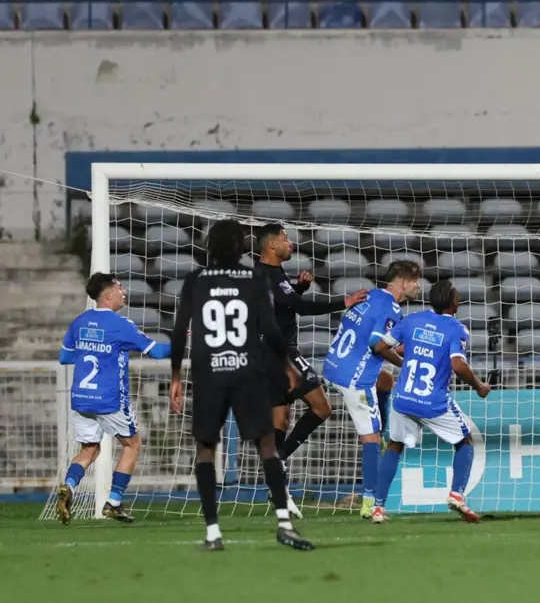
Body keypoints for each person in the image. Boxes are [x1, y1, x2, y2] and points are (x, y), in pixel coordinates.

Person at [169, 219, 313, 551]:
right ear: (241, 246)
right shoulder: (255, 277)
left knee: (205, 449)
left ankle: (213, 533)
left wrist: (176, 376)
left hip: (209, 372)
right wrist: (288, 366)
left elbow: (179, 331)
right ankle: (283, 523)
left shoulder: (195, 280)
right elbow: (271, 330)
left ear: (210, 246)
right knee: (266, 444)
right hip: (246, 370)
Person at [254, 223, 368, 515]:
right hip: (280, 354)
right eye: (285, 239)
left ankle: (277, 486)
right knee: (322, 408)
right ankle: (278, 460)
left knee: (281, 419)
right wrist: (345, 301)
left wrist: (299, 288)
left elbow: (284, 303)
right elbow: (299, 308)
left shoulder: (267, 274)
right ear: (271, 246)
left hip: (265, 355)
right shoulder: (268, 274)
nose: (289, 243)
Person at [54, 272, 171, 524]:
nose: (124, 292)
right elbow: (159, 352)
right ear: (107, 295)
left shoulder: (79, 321)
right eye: (120, 288)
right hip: (109, 399)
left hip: (82, 398)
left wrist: (92, 351)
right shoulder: (121, 325)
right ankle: (114, 502)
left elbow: (64, 358)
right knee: (132, 445)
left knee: (89, 449)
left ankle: (69, 486)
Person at [374, 281, 491, 523]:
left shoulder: (411, 320)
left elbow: (380, 346)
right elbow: (458, 365)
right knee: (464, 439)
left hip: (403, 398)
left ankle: (378, 507)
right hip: (433, 402)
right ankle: (456, 495)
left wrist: (404, 359)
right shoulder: (456, 329)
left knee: (395, 445)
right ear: (454, 302)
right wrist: (479, 386)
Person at [322, 260, 419, 520]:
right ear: (402, 281)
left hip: (332, 365)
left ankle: (380, 426)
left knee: (385, 381)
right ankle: (370, 501)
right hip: (355, 379)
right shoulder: (392, 308)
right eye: (415, 281)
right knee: (371, 440)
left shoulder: (371, 295)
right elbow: (377, 345)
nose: (418, 286)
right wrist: (405, 362)